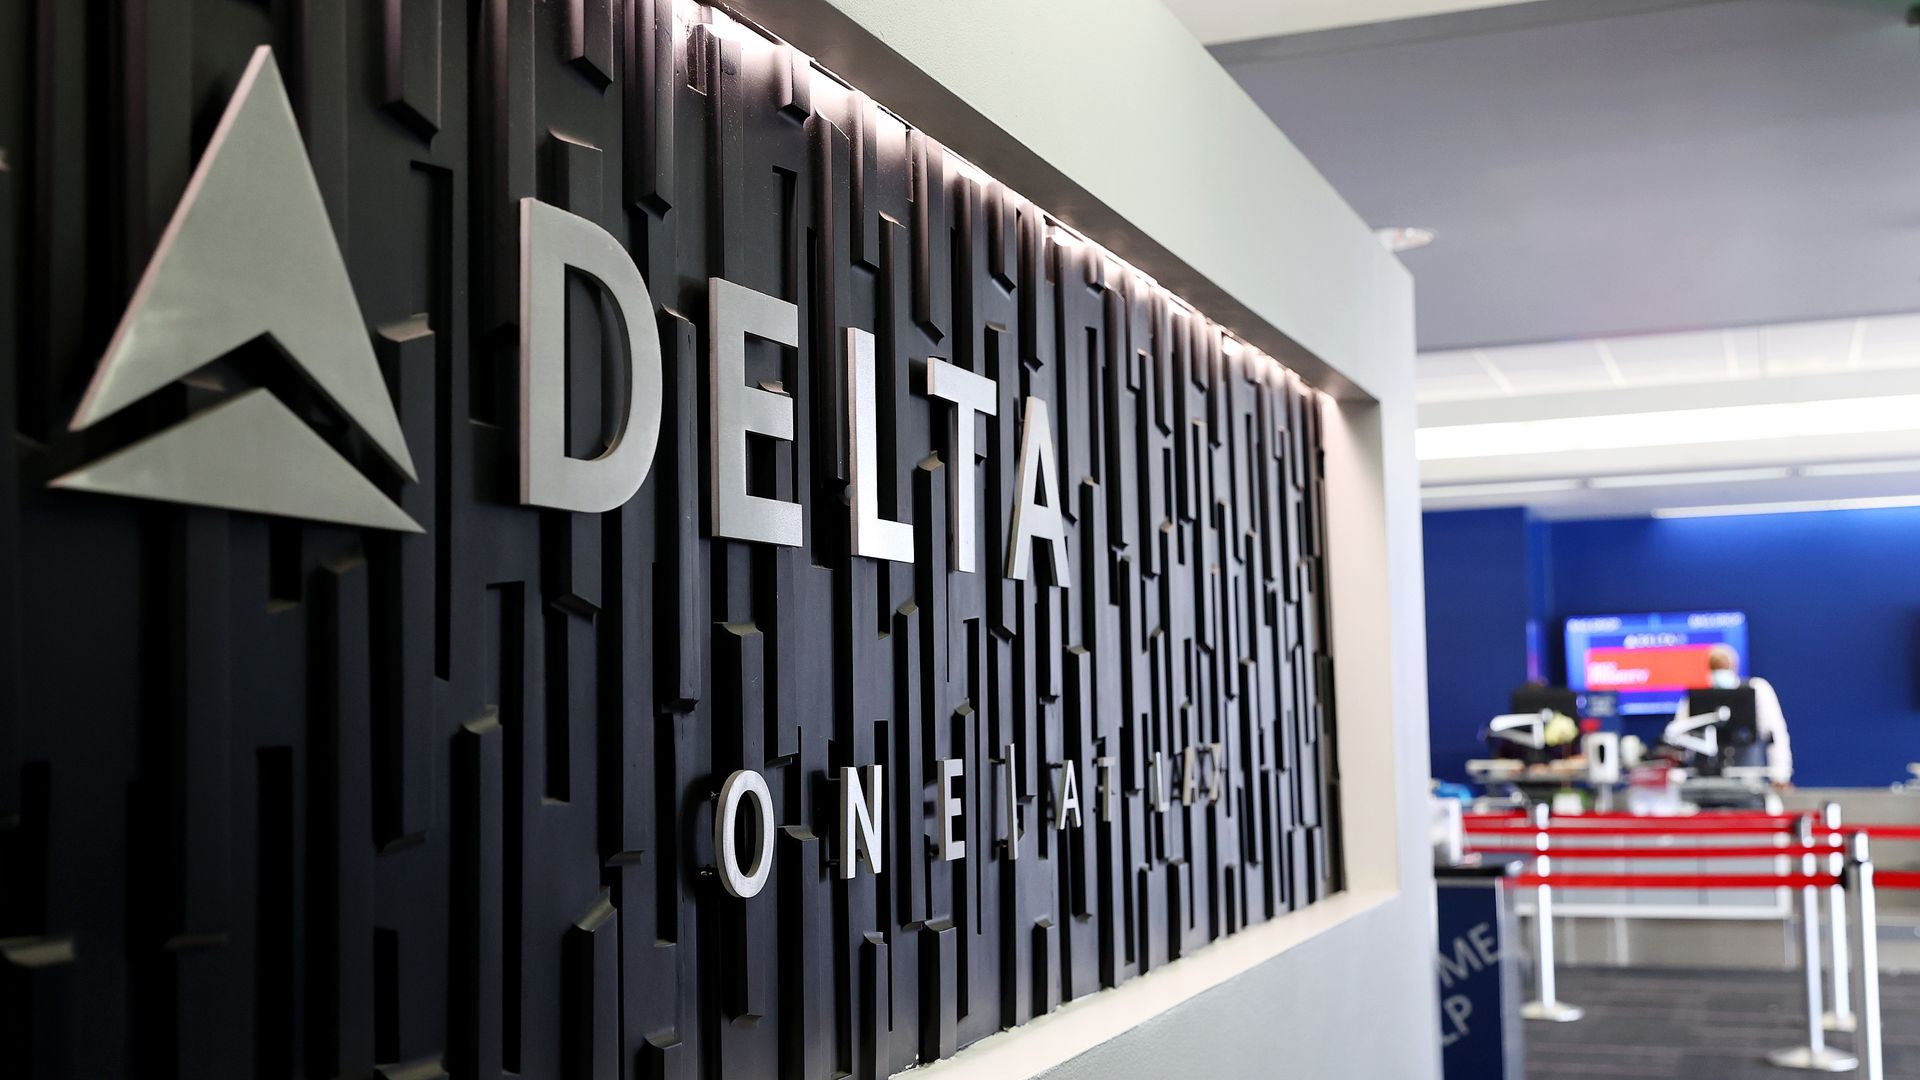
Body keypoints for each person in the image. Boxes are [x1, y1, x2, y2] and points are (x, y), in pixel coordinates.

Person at [1669, 644, 1792, 784]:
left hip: (1747, 780)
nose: (1720, 671)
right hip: (1706, 782)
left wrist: (1780, 776)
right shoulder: (1694, 700)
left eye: (1724, 666)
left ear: (1734, 667)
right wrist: (1677, 775)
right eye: (1716, 667)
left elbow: (1774, 734)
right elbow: (1680, 737)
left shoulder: (1757, 690)